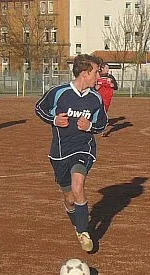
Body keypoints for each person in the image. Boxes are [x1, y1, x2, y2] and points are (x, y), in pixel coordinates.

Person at [34, 54, 108, 252]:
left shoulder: (95, 98)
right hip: (59, 152)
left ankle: (83, 232)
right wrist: (54, 119)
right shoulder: (59, 93)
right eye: (95, 73)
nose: (97, 77)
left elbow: (102, 124)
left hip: (83, 148)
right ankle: (77, 221)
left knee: (78, 185)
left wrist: (90, 125)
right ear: (84, 73)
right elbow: (39, 108)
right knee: (69, 197)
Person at [95, 62, 119, 137]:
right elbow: (92, 87)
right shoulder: (96, 76)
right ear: (102, 68)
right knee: (98, 112)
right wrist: (96, 87)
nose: (108, 70)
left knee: (103, 113)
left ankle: (100, 127)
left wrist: (113, 85)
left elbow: (116, 86)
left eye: (108, 68)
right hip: (97, 97)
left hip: (107, 98)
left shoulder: (110, 77)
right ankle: (100, 128)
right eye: (106, 68)